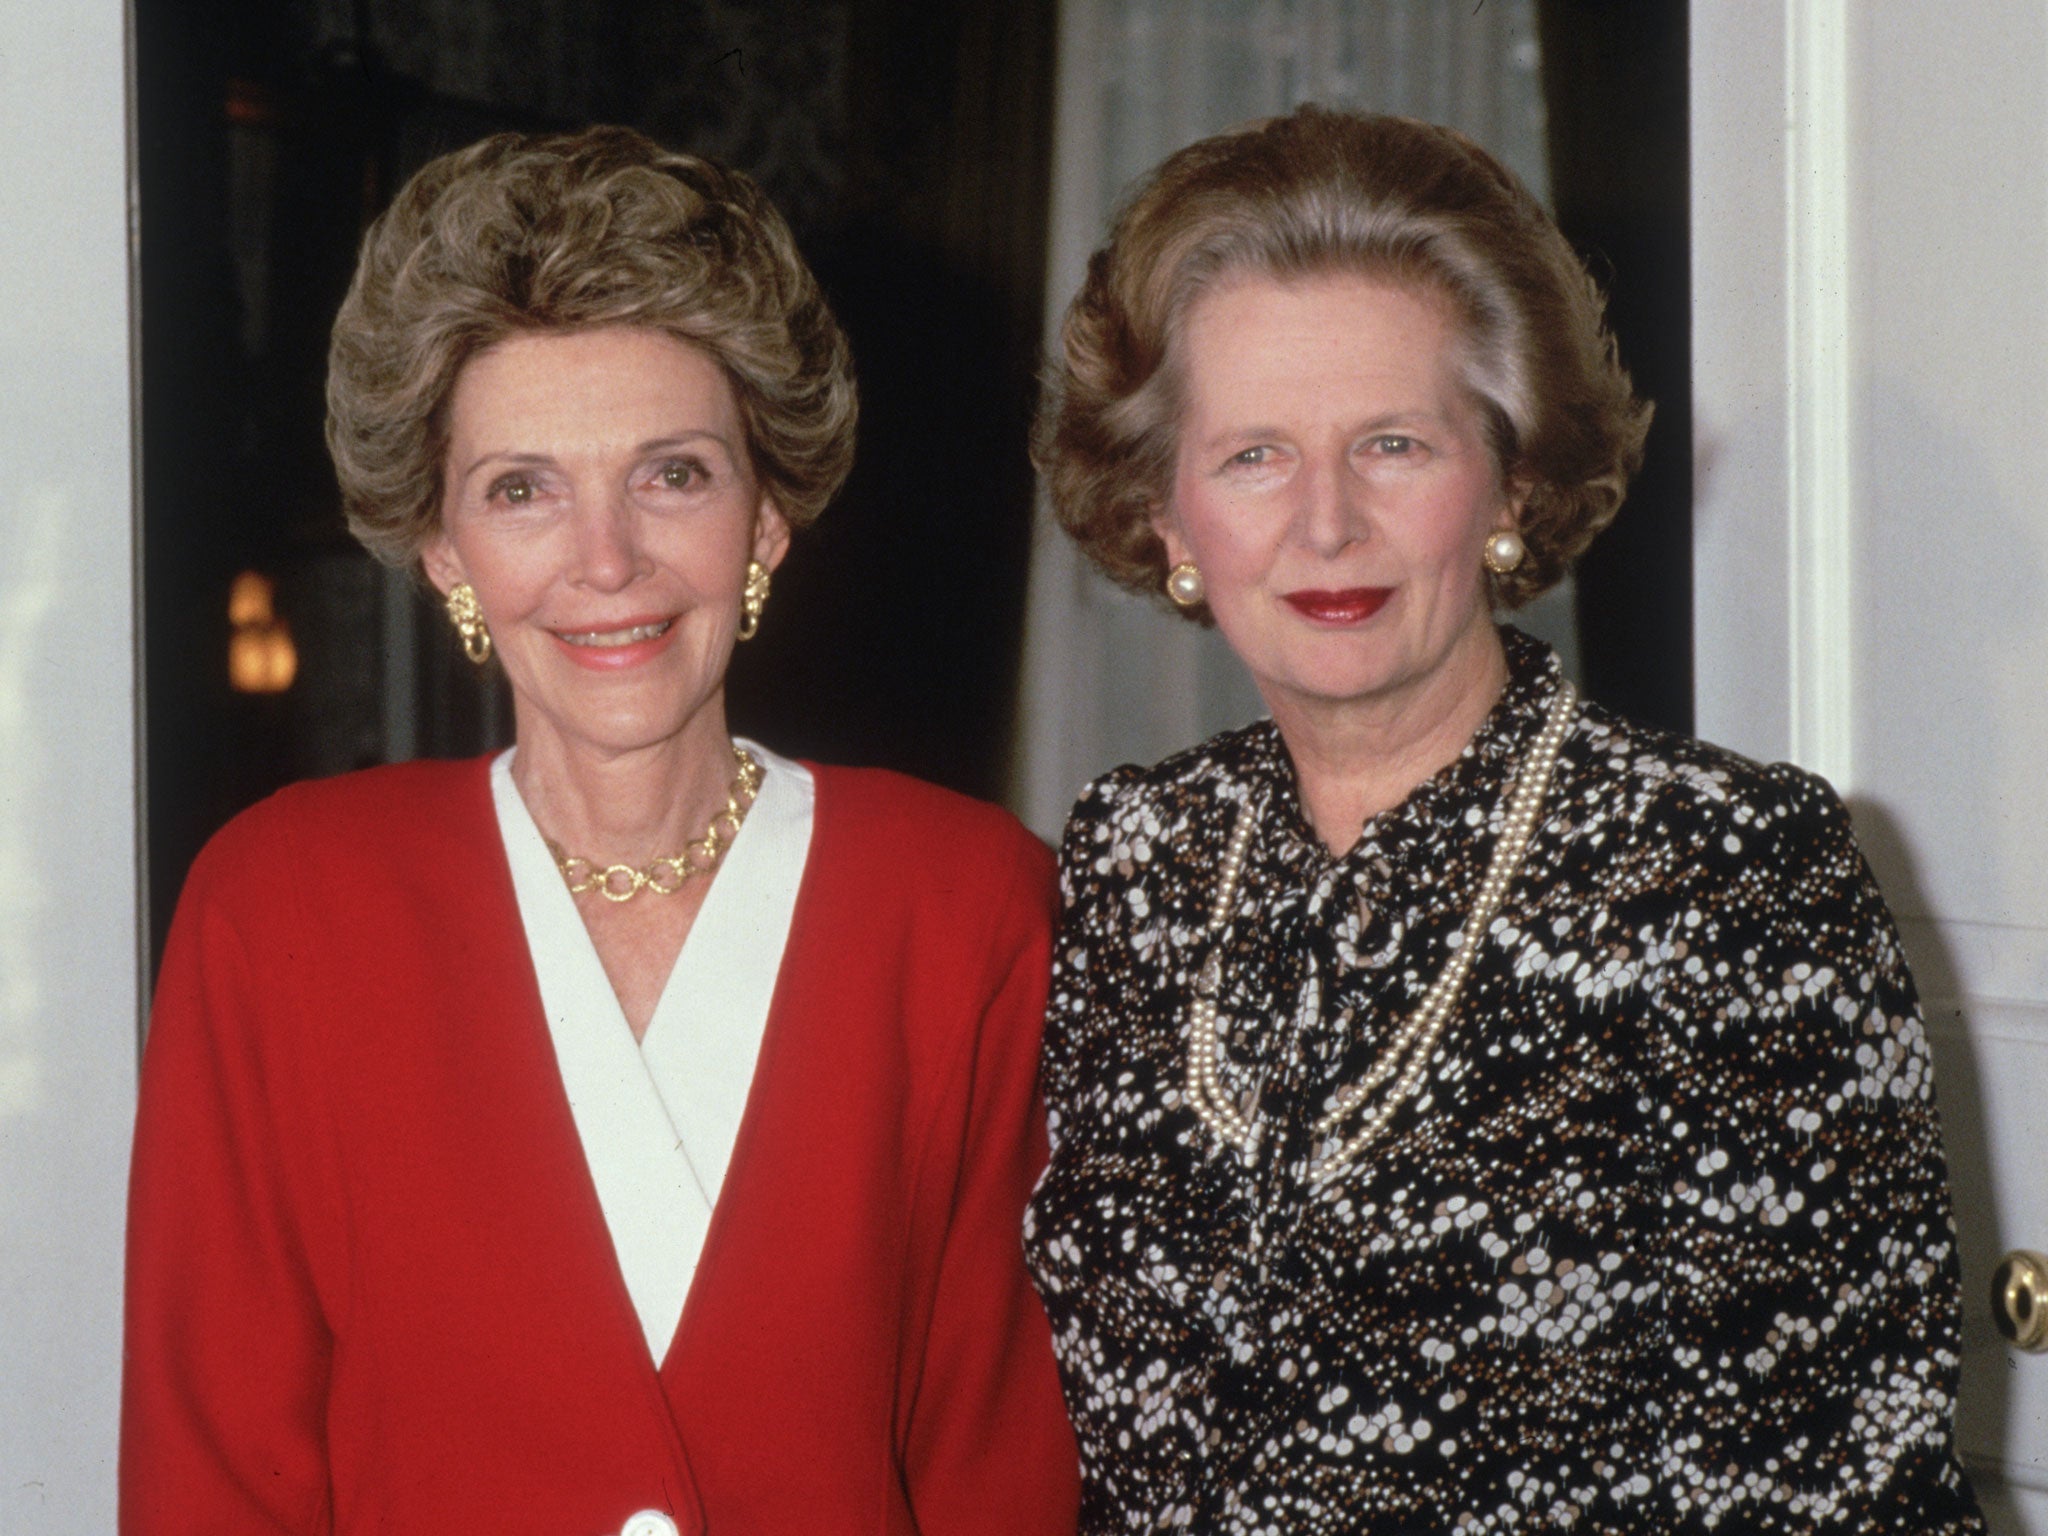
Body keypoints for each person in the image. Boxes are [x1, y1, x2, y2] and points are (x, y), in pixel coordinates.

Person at [1022, 106, 1984, 1534]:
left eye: (1395, 445)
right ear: (1168, 519)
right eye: (1253, 457)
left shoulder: (1719, 870)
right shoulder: (1137, 855)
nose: (1326, 525)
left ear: (1512, 482)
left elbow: (1841, 1490)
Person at [122, 126, 1079, 1536]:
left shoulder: (972, 907)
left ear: (766, 518)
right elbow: (210, 1481)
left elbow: (1002, 1473)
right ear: (444, 551)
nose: (607, 560)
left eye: (673, 474)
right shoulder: (281, 910)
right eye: (523, 489)